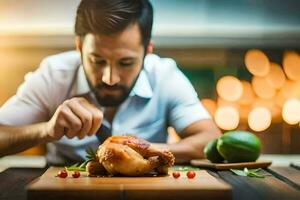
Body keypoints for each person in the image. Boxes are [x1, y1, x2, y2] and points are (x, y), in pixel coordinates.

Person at [0, 0, 221, 165]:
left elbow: (210, 139)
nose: (110, 78)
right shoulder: (52, 74)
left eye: (126, 62)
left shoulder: (164, 75)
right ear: (79, 47)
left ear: (147, 50)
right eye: (97, 60)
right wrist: (47, 130)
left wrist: (139, 149)